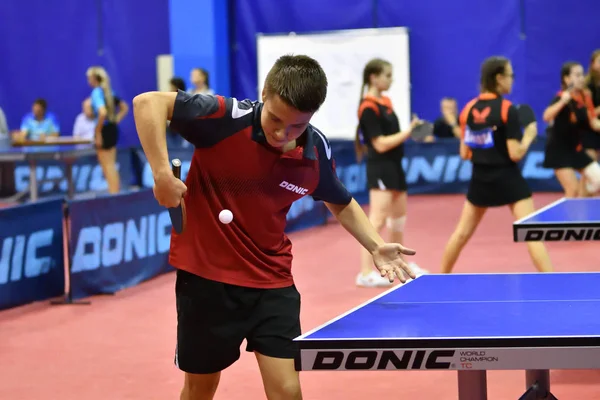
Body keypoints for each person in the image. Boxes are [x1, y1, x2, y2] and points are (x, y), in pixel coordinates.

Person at [133, 54, 417, 400]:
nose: (282, 133)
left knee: (287, 390)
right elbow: (148, 103)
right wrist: (162, 173)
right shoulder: (225, 117)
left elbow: (340, 201)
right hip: (206, 280)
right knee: (200, 389)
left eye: (296, 126)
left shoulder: (315, 150)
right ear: (264, 93)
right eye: (276, 119)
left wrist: (375, 245)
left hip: (272, 280)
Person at [440, 56, 553, 274]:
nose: (512, 80)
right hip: (508, 179)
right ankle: (551, 281)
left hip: (480, 179)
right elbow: (515, 153)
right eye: (511, 75)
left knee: (461, 234)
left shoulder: (469, 109)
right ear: (499, 78)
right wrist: (529, 134)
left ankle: (439, 277)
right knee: (532, 233)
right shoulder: (507, 109)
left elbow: (464, 153)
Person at [353, 58, 427, 288]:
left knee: (398, 219)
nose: (391, 79)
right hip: (381, 167)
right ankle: (365, 272)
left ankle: (401, 263)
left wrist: (410, 131)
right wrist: (409, 132)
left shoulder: (386, 102)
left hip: (395, 166)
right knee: (377, 220)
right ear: (374, 77)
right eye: (387, 75)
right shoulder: (367, 108)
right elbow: (381, 144)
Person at [542, 61, 600, 197]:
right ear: (567, 79)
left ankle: (582, 209)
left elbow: (594, 123)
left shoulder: (585, 97)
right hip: (558, 151)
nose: (581, 78)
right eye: (577, 75)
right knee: (572, 190)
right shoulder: (561, 96)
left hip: (576, 150)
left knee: (597, 179)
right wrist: (562, 101)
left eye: (582, 74)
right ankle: (570, 217)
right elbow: (546, 116)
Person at [86, 66, 129, 194]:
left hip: (103, 129)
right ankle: (115, 192)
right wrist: (115, 120)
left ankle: (113, 193)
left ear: (94, 79)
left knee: (106, 165)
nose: (88, 81)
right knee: (111, 164)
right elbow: (124, 108)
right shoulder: (110, 92)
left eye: (89, 78)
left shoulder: (96, 93)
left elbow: (102, 112)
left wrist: (98, 132)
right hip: (112, 128)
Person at [581, 50, 600, 196]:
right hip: (589, 132)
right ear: (592, 64)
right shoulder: (586, 86)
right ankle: (582, 201)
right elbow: (588, 114)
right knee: (589, 173)